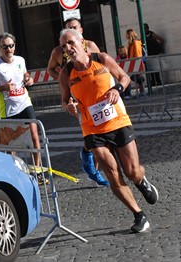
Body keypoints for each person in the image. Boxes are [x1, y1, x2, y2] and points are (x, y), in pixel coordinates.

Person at [58, 28, 159, 233]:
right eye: (63, 46)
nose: (68, 48)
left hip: (117, 121)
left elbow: (124, 77)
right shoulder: (66, 73)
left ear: (82, 42)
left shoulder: (102, 59)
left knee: (131, 171)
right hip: (91, 129)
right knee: (112, 174)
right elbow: (63, 100)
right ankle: (139, 215)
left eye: (70, 43)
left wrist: (116, 90)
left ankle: (141, 180)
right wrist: (68, 106)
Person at [47, 17, 109, 187]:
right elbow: (50, 68)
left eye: (74, 27)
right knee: (91, 133)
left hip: (97, 96)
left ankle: (91, 162)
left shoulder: (91, 46)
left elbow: (103, 66)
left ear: (80, 31)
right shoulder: (58, 52)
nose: (68, 45)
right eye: (68, 28)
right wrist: (63, 80)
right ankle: (94, 171)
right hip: (77, 98)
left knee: (101, 133)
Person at [0, 33, 44, 180]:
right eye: (4, 46)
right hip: (8, 109)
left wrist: (28, 79)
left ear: (14, 46)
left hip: (24, 103)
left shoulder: (20, 60)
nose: (8, 49)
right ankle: (14, 173)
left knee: (34, 137)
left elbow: (24, 74)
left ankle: (38, 171)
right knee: (11, 145)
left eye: (11, 46)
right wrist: (3, 87)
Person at [126, 28, 145, 97]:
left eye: (127, 34)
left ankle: (142, 90)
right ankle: (141, 90)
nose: (126, 36)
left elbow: (137, 53)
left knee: (137, 76)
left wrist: (136, 61)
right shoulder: (131, 43)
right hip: (133, 61)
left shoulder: (135, 42)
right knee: (135, 76)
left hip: (136, 61)